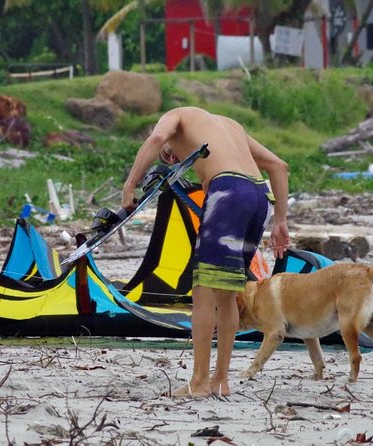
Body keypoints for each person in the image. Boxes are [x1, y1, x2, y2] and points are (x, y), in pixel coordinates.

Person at [122, 106, 290, 398]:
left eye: (170, 154)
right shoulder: (230, 126)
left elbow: (155, 138)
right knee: (226, 294)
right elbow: (279, 166)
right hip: (259, 199)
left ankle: (199, 381)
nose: (173, 159)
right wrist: (281, 221)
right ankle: (220, 381)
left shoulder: (175, 116)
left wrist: (129, 186)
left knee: (202, 292)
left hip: (228, 193)